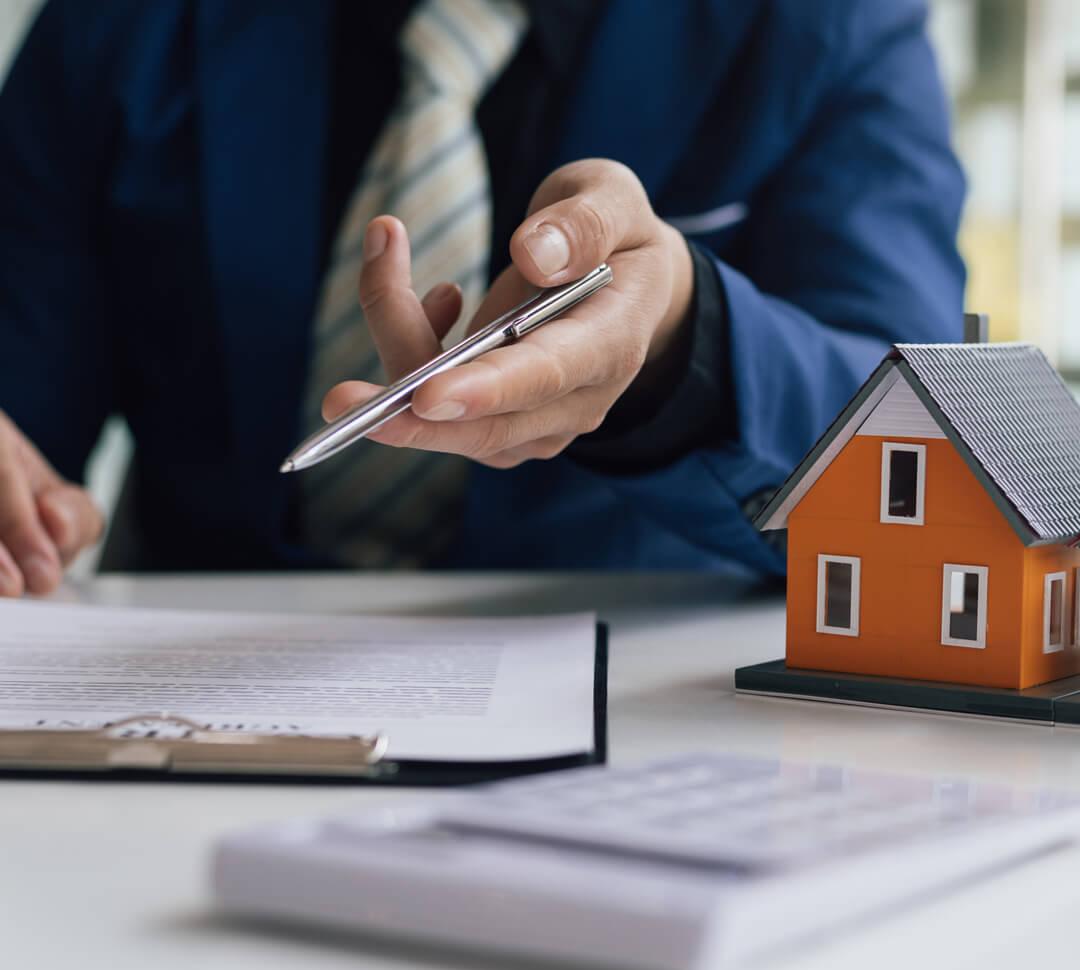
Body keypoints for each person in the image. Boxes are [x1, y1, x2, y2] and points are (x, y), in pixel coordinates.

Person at [0, 0, 965, 595]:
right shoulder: (117, 26)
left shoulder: (831, 24)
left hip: (649, 717)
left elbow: (921, 454)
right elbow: (21, 418)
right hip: (176, 710)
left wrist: (685, 340)